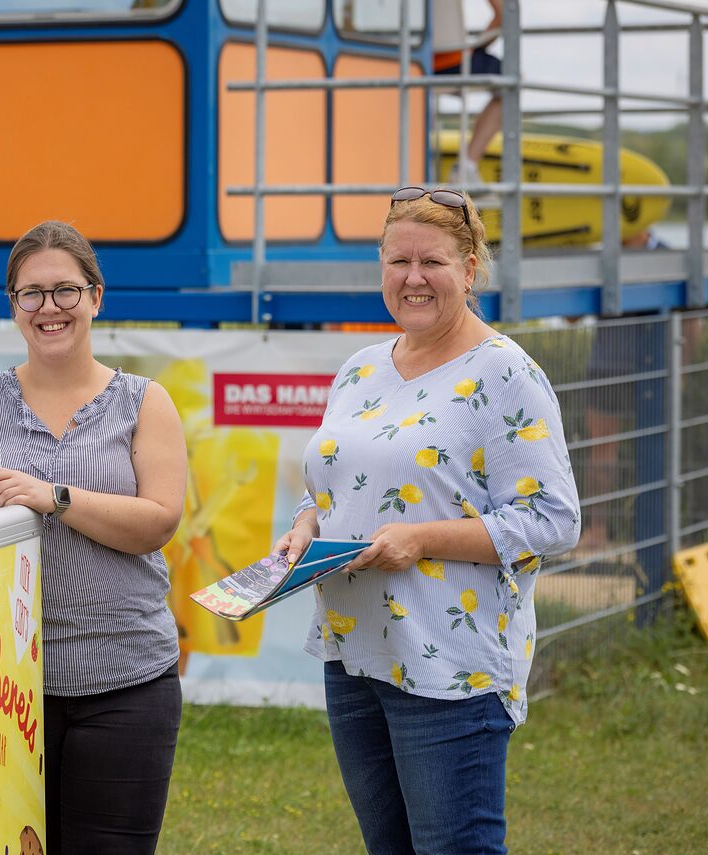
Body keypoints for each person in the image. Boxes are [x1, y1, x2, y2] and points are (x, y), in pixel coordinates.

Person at [274, 187, 579, 854]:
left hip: (450, 666)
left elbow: (553, 518)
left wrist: (420, 539)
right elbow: (329, 485)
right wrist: (305, 526)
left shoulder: (505, 374)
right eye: (397, 260)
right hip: (355, 654)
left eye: (433, 261)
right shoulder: (360, 370)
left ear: (471, 269)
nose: (413, 277)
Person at [0, 221, 187, 855]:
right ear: (13, 305)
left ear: (96, 298)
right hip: (1, 682)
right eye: (32, 293)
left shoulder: (144, 401)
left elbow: (159, 520)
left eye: (66, 291)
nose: (50, 308)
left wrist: (55, 497)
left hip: (125, 677)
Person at [434, 0, 506, 185]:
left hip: (403, 60)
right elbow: (504, 12)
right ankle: (466, 165)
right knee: (509, 83)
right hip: (451, 61)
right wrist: (478, 47)